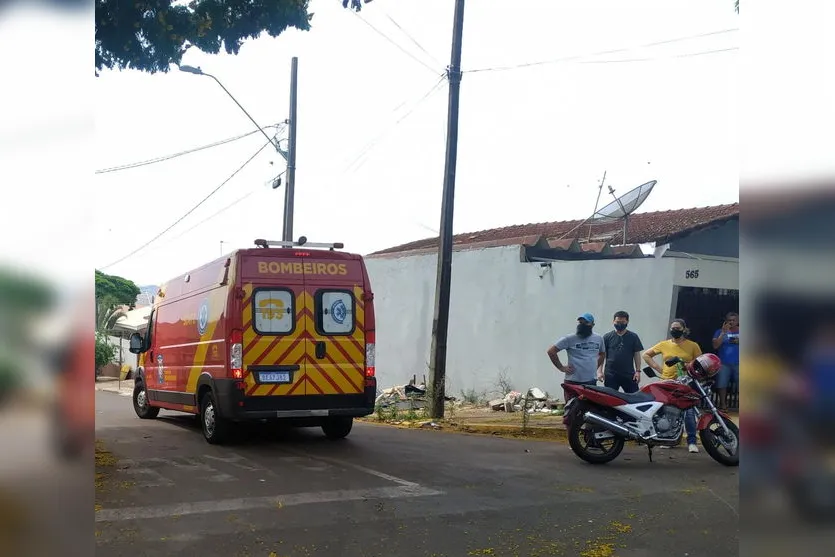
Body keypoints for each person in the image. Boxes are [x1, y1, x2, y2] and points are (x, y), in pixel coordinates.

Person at [642, 318, 703, 453]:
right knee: (669, 412)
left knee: (688, 412)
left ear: (684, 329)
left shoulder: (693, 345)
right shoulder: (664, 344)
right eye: (672, 328)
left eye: (677, 328)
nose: (674, 330)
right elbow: (646, 355)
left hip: (686, 381)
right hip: (667, 382)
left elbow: (700, 362)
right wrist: (659, 369)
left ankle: (691, 441)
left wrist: (689, 366)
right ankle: (670, 440)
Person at [547, 313, 606, 424]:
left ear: (592, 324)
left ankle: (589, 438)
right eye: (580, 322)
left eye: (586, 322)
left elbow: (602, 354)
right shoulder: (569, 338)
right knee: (571, 413)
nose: (582, 324)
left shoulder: (598, 338)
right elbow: (551, 351)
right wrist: (561, 367)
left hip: (590, 382)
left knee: (591, 413)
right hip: (573, 382)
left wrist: (595, 367)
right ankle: (571, 437)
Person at [599, 310, 644, 393]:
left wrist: (638, 371)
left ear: (627, 321)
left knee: (633, 397)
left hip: (629, 374)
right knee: (610, 399)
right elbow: (602, 355)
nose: (620, 324)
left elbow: (637, 354)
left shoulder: (633, 337)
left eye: (623, 322)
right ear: (613, 321)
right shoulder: (607, 337)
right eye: (618, 322)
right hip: (610, 374)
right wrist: (599, 371)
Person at [712, 312, 740, 411]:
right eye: (729, 320)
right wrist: (723, 333)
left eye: (734, 320)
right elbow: (715, 346)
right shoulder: (719, 331)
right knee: (722, 384)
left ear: (738, 321)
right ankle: (723, 405)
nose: (731, 322)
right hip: (724, 363)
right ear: (726, 321)